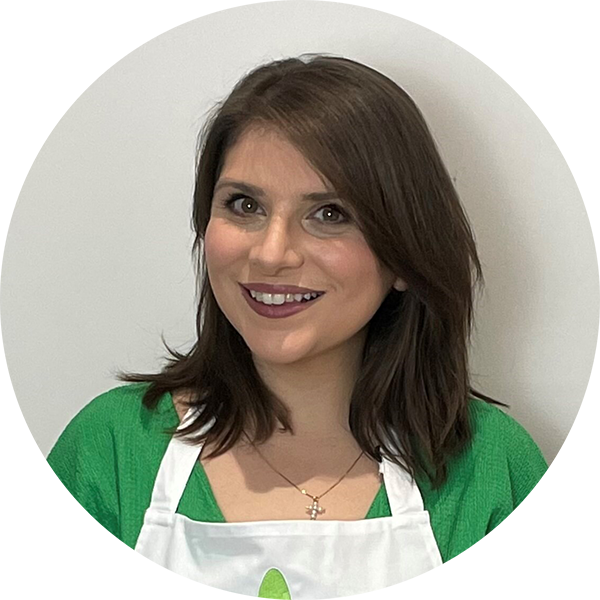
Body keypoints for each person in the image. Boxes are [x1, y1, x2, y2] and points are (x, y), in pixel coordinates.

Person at [47, 53, 548, 598]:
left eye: (330, 213)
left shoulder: (493, 468)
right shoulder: (109, 451)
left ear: (404, 254)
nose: (271, 253)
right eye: (244, 205)